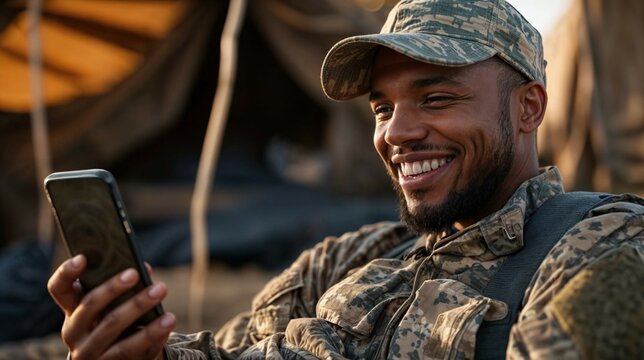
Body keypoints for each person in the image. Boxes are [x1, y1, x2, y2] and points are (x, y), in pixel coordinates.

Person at [47, 0, 644, 359]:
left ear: (529, 109)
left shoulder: (600, 247)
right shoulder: (344, 260)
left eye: (435, 99)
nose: (396, 133)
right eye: (382, 108)